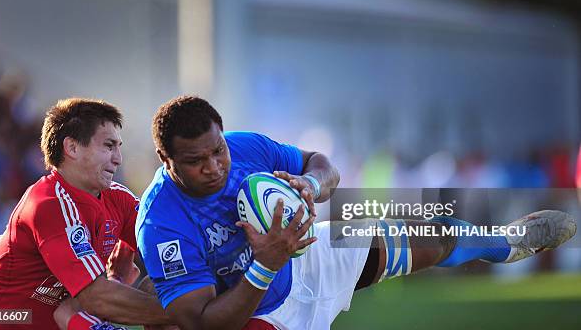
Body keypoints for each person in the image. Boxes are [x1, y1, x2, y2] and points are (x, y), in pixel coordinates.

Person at [136, 95, 577, 330]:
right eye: (196, 161)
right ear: (164, 158)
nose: (214, 166)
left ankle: (505, 243)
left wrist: (310, 185)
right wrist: (267, 263)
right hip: (257, 315)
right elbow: (204, 324)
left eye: (218, 151)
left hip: (310, 259)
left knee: (433, 235)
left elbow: (324, 166)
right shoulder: (161, 223)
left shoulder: (244, 145)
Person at [0, 98, 174, 330]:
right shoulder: (48, 202)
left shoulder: (118, 198)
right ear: (72, 148)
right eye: (108, 146)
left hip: (48, 320)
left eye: (119, 147)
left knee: (168, 286)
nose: (118, 159)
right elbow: (95, 297)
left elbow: (171, 247)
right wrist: (187, 314)